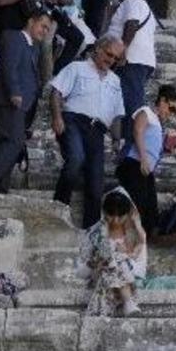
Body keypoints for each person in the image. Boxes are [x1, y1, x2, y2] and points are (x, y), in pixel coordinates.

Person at [49, 36, 126, 228]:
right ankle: (58, 208)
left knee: (96, 183)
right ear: (98, 49)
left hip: (97, 131)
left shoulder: (115, 81)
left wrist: (117, 140)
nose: (111, 60)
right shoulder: (77, 67)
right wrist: (57, 117)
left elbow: (117, 114)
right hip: (74, 121)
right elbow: (56, 92)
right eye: (109, 54)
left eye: (116, 58)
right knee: (76, 159)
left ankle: (90, 230)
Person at [0, 8, 49, 194]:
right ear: (31, 21)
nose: (45, 31)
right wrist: (14, 92)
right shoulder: (13, 37)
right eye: (43, 26)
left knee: (7, 142)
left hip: (21, 105)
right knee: (15, 141)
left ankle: (0, 186)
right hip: (8, 100)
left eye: (48, 29)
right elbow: (8, 66)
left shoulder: (34, 47)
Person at [117, 84, 176, 236]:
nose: (171, 114)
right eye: (171, 109)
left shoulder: (158, 123)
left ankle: (146, 238)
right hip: (135, 164)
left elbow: (152, 146)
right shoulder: (146, 111)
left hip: (145, 168)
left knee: (150, 209)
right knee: (138, 205)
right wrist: (144, 159)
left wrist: (170, 150)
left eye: (175, 112)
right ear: (163, 101)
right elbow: (137, 131)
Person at [78, 188, 147, 317]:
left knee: (116, 260)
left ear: (129, 213)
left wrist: (124, 258)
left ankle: (123, 303)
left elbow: (140, 271)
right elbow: (81, 273)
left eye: (120, 215)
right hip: (99, 275)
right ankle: (128, 303)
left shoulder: (137, 235)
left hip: (127, 278)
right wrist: (93, 263)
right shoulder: (94, 234)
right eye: (111, 214)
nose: (115, 220)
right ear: (104, 212)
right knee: (109, 259)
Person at [107, 0, 159, 134]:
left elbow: (132, 24)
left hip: (132, 59)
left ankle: (131, 142)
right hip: (140, 60)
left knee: (132, 104)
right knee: (129, 100)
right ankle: (126, 139)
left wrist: (122, 50)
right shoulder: (143, 4)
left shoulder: (132, 1)